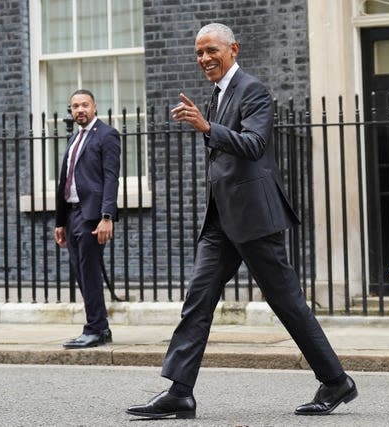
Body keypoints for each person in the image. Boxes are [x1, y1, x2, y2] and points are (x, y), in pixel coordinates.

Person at [125, 23, 357, 419]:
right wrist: (208, 124)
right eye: (198, 53)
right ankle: (180, 391)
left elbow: (255, 144)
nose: (204, 59)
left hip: (255, 218)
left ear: (233, 48)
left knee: (287, 303)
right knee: (197, 301)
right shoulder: (217, 95)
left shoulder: (253, 90)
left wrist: (206, 127)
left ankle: (336, 381)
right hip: (221, 219)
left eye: (211, 50)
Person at [54, 89, 120, 349]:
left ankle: (94, 328)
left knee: (89, 272)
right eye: (75, 106)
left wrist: (107, 216)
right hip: (71, 215)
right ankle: (100, 327)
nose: (80, 110)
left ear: (95, 107)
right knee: (81, 272)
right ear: (70, 110)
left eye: (84, 105)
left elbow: (111, 177)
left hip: (91, 215)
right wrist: (60, 222)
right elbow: (65, 181)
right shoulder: (74, 138)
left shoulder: (107, 135)